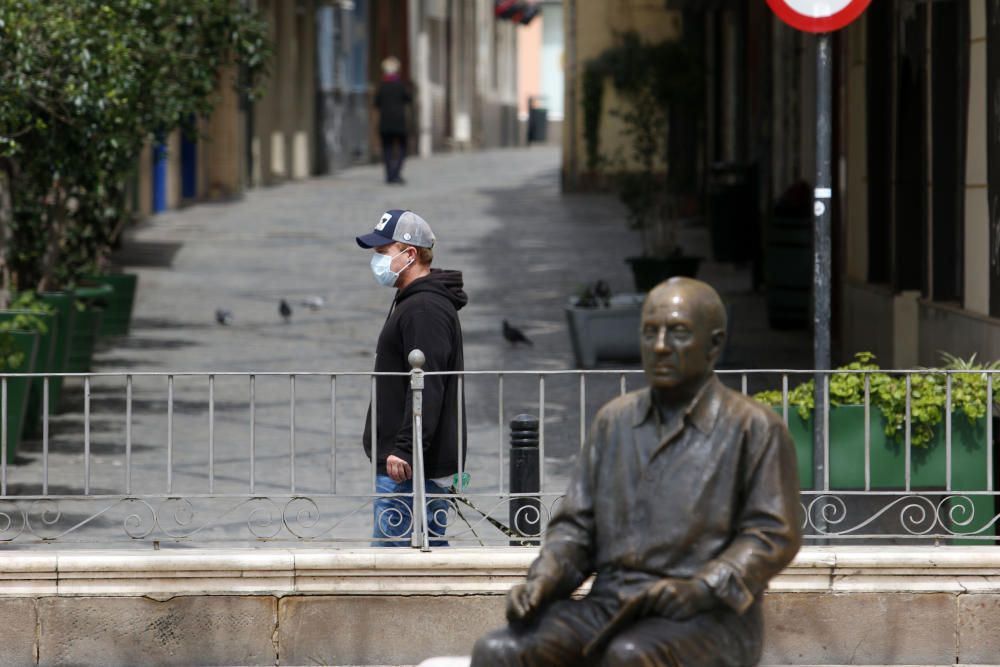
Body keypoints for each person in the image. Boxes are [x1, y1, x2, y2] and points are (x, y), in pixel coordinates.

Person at [472, 277, 802, 666]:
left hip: (706, 616)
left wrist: (703, 586)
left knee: (627, 657)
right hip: (609, 603)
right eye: (650, 333)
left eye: (677, 333)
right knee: (499, 651)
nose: (660, 346)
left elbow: (773, 533)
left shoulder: (754, 427)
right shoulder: (614, 422)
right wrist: (543, 579)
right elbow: (576, 529)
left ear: (714, 344)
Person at [356, 209, 468, 546]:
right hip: (406, 465)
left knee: (397, 570)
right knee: (420, 559)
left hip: (408, 468)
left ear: (410, 254)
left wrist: (405, 449)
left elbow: (428, 383)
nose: (377, 260)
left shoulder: (424, 309)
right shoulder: (413, 301)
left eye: (382, 252)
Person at [374, 56, 412, 184]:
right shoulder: (400, 85)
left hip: (385, 122)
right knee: (402, 147)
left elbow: (376, 103)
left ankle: (390, 174)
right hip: (399, 122)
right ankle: (396, 173)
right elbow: (408, 99)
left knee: (387, 149)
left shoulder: (382, 86)